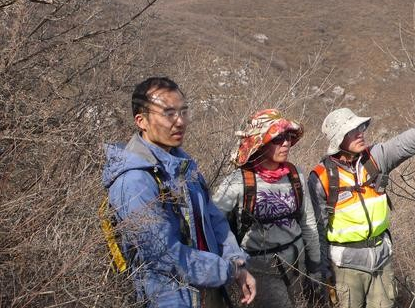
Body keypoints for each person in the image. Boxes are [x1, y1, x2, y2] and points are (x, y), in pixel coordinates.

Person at [102, 77, 256, 308]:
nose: (180, 121)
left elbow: (215, 221)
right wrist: (227, 270)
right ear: (141, 121)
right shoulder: (134, 180)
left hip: (208, 293)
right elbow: (162, 254)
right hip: (169, 299)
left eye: (184, 112)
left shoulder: (184, 165)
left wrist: (237, 261)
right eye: (169, 114)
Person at [307, 108, 415, 308]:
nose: (360, 133)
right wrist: (322, 272)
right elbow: (318, 230)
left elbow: (401, 145)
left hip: (381, 257)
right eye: (352, 130)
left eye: (360, 127)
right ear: (338, 138)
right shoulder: (321, 177)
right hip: (345, 266)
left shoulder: (375, 158)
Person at [212, 109, 323, 308]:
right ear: (260, 143)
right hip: (262, 271)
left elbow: (308, 223)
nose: (286, 143)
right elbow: (213, 225)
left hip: (298, 265)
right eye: (278, 138)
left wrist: (315, 265)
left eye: (288, 137)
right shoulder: (238, 182)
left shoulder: (295, 175)